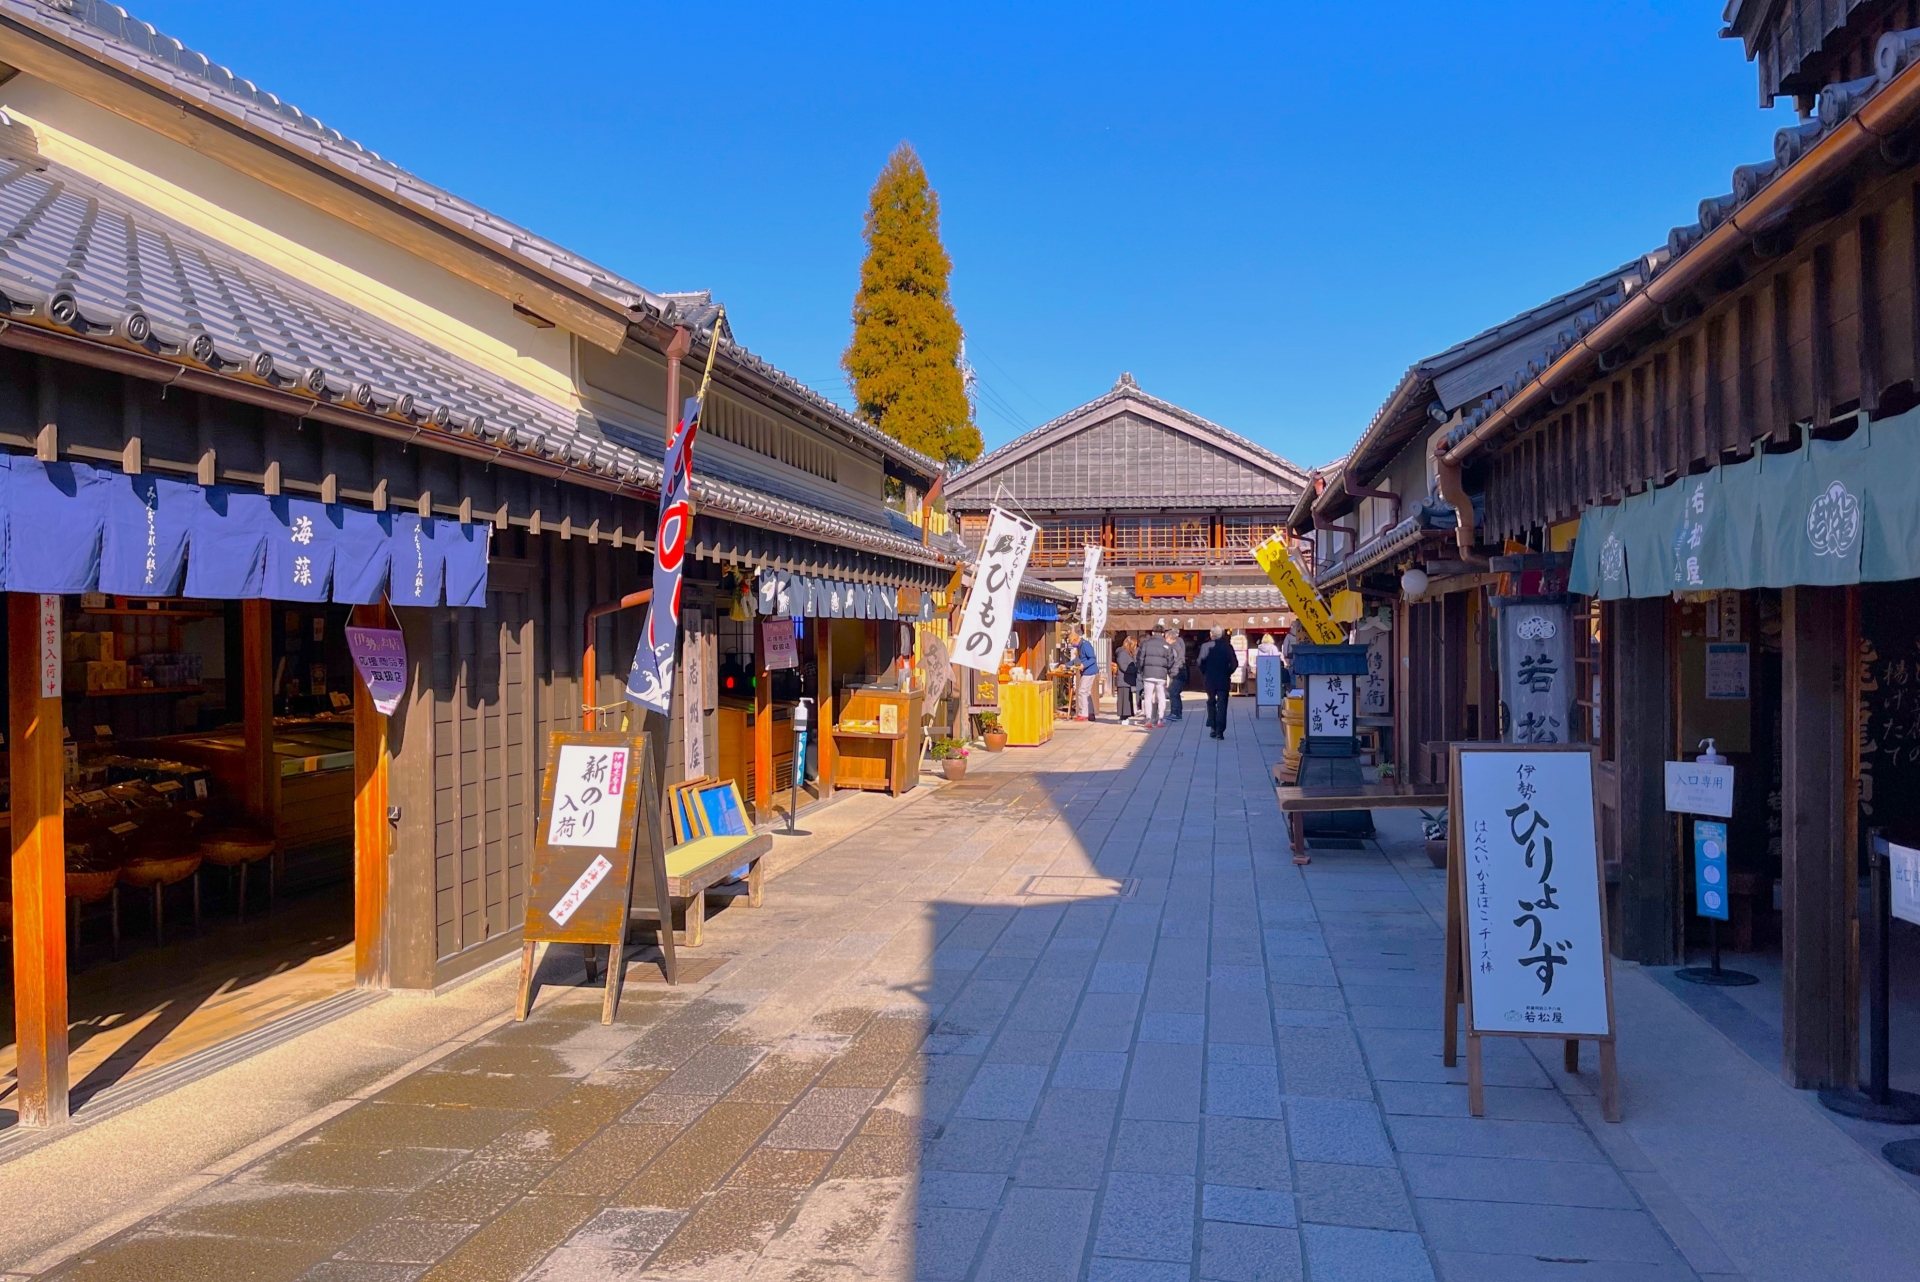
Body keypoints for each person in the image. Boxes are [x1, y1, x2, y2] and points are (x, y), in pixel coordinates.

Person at [1198, 626, 1238, 739]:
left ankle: (1213, 727)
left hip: (1210, 678)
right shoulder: (1227, 647)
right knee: (1222, 704)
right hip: (1223, 678)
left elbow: (1200, 662)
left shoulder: (1205, 646)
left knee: (1211, 701)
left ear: (1211, 634)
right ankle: (1220, 731)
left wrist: (1205, 672)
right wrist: (1228, 672)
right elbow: (1234, 663)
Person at [1137, 630, 1176, 726]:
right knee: (1161, 697)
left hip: (1148, 674)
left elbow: (1140, 658)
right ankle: (1161, 718)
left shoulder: (1145, 644)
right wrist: (1166, 669)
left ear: (1153, 633)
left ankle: (1149, 718)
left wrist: (1141, 669)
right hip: (1161, 675)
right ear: (1163, 634)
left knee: (1148, 697)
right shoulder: (1167, 645)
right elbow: (1171, 661)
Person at [1071, 627, 1099, 721]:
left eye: (1072, 643)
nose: (1072, 645)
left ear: (1075, 640)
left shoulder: (1085, 645)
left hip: (1089, 671)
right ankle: (1090, 713)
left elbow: (1092, 658)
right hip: (1087, 671)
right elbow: (1077, 660)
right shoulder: (1080, 646)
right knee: (1086, 693)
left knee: (1082, 691)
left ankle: (1083, 713)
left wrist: (1083, 665)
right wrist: (1065, 665)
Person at [1113, 635, 1141, 722]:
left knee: (1127, 699)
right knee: (1123, 699)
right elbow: (1124, 667)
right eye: (1134, 645)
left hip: (1127, 680)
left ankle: (1125, 716)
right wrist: (1136, 669)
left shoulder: (1127, 653)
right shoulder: (1122, 653)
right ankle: (1123, 717)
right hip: (1123, 680)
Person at [1165, 628, 1188, 720]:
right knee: (1175, 692)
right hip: (1179, 671)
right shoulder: (1177, 645)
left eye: (1166, 638)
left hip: (1177, 672)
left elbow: (1173, 660)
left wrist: (1169, 668)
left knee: (1172, 692)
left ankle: (1175, 713)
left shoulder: (1173, 647)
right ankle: (1177, 712)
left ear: (1169, 638)